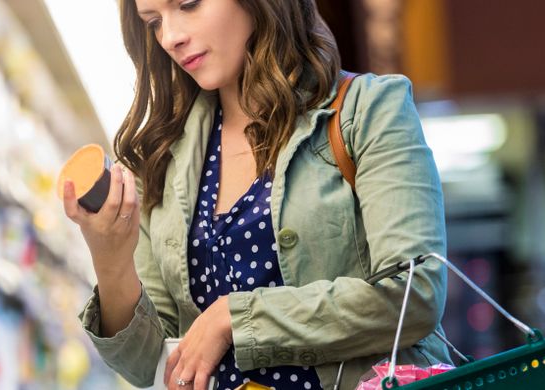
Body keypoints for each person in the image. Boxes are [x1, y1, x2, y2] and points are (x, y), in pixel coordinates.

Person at [60, 0, 453, 389]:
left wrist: (235, 319)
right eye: (153, 22)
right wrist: (110, 260)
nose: (170, 37)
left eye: (189, 4)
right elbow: (146, 364)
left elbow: (414, 295)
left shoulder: (368, 111)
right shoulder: (160, 157)